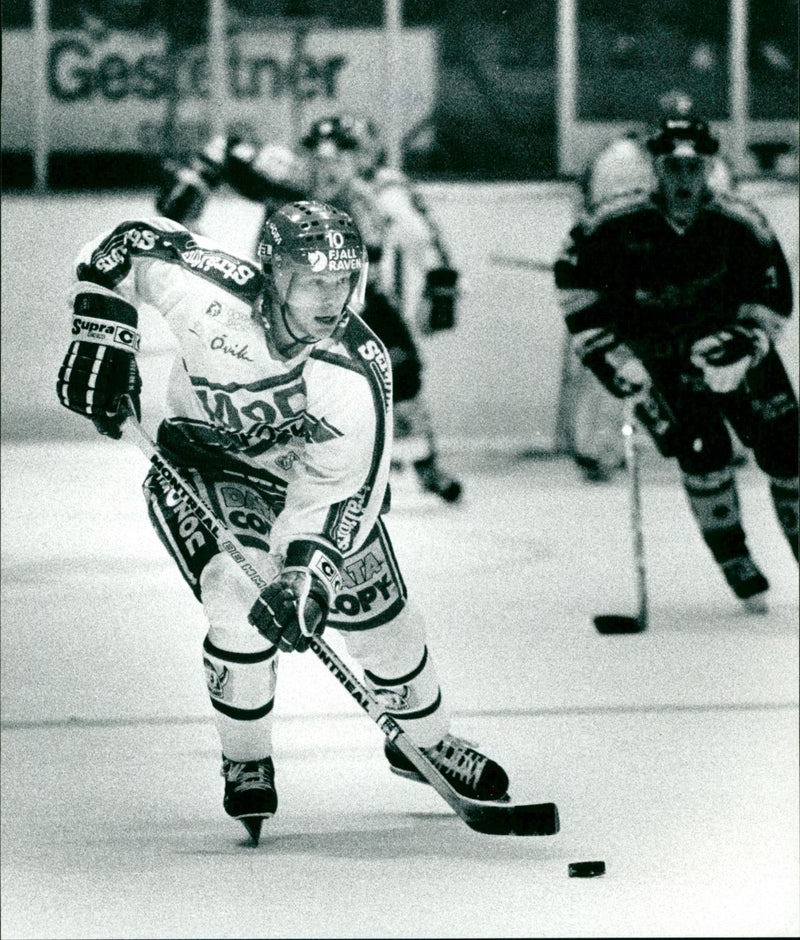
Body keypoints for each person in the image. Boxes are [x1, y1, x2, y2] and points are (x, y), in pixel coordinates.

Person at [56, 200, 509, 844]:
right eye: (312, 279)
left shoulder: (355, 366)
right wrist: (102, 328)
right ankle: (245, 756)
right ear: (273, 272)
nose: (331, 298)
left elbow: (342, 489)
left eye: (342, 280)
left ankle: (425, 743)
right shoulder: (211, 289)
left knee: (388, 621)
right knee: (236, 597)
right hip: (201, 464)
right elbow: (126, 240)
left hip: (304, 487)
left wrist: (307, 578)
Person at [554, 112, 798, 614]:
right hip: (663, 365)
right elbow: (573, 279)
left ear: (709, 166)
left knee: (790, 455)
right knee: (702, 454)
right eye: (672, 166)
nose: (684, 178)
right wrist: (607, 355)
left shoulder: (742, 222)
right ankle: (736, 561)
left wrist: (747, 343)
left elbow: (774, 294)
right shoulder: (612, 223)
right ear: (655, 167)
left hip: (733, 353)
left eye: (694, 166)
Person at [156, 115, 463, 503]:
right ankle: (267, 460)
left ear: (365, 156)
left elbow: (421, 235)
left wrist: (440, 283)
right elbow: (224, 148)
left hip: (355, 297)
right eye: (320, 157)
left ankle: (414, 462)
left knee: (397, 371)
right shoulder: (290, 172)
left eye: (342, 156)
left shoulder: (382, 190)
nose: (329, 167)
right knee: (284, 377)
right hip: (285, 297)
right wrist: (194, 181)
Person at [564, 92, 736, 481]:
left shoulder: (711, 166)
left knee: (711, 355)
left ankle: (718, 441)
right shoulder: (615, 161)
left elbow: (724, 223)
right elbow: (591, 218)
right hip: (627, 282)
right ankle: (598, 447)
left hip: (686, 283)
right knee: (613, 358)